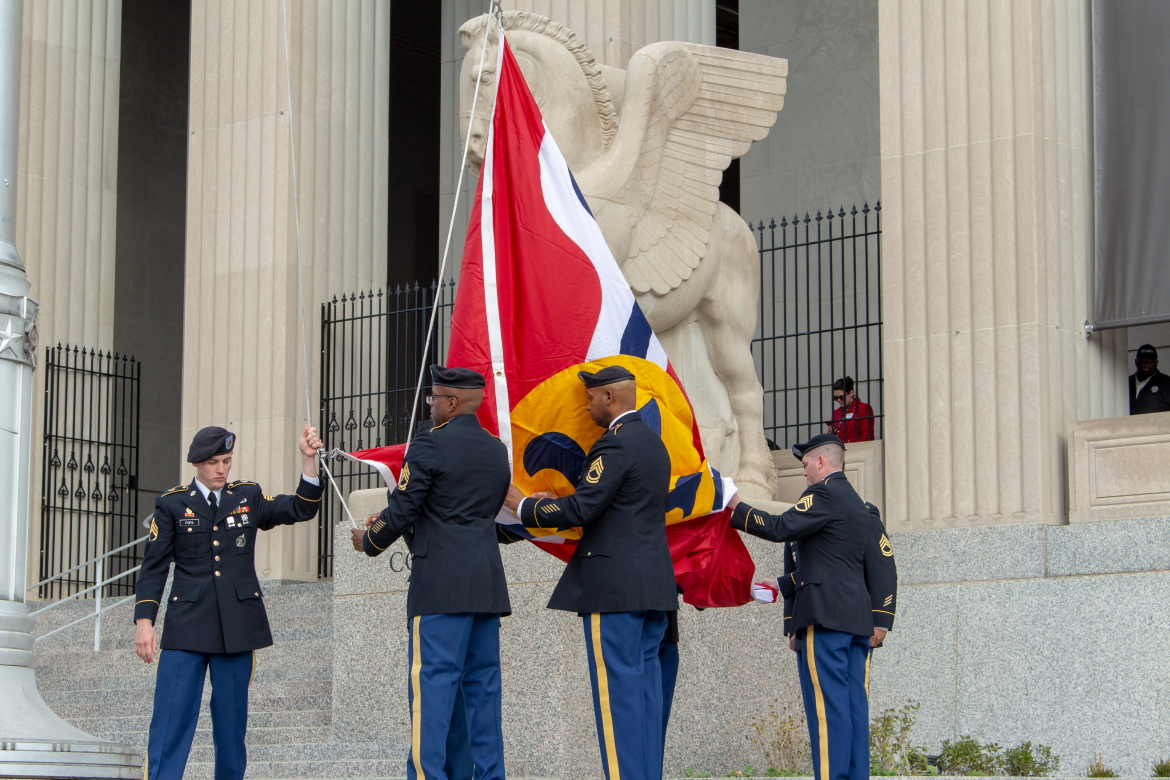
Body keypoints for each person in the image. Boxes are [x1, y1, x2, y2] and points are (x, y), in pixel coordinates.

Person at [503, 364, 677, 780]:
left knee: (618, 700)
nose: (587, 405)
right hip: (654, 586)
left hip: (615, 589)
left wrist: (523, 504)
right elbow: (614, 505)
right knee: (648, 701)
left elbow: (583, 509)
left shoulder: (613, 446)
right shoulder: (655, 445)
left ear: (610, 398)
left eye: (591, 398)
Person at [133, 424, 325, 780]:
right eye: (213, 463)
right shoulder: (173, 503)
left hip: (235, 629)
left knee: (231, 728)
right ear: (197, 464)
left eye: (227, 461)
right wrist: (145, 621)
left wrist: (307, 460)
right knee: (169, 723)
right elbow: (154, 567)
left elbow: (300, 508)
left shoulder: (247, 496)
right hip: (186, 628)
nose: (222, 469)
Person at [350, 366, 513, 780]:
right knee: (483, 695)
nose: (431, 406)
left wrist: (369, 541)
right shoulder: (496, 450)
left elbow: (405, 509)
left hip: (440, 587)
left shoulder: (429, 445)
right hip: (486, 586)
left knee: (433, 698)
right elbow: (480, 518)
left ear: (452, 403)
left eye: (434, 400)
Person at [727, 433, 874, 780]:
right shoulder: (855, 502)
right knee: (852, 708)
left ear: (821, 461)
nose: (805, 472)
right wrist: (780, 585)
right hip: (855, 617)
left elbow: (781, 527)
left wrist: (737, 508)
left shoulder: (823, 493)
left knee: (827, 711)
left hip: (824, 615)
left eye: (806, 463)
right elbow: (829, 564)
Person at [828, 377, 874, 442]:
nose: (839, 400)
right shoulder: (836, 413)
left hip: (858, 449)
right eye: (836, 398)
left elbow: (867, 436)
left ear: (851, 393)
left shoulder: (863, 408)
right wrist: (831, 433)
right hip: (840, 449)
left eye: (842, 397)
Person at [1130, 344, 1170, 415]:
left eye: (1150, 361)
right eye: (1143, 360)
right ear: (1136, 362)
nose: (1146, 364)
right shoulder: (1125, 383)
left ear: (1156, 363)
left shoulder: (1167, 383)